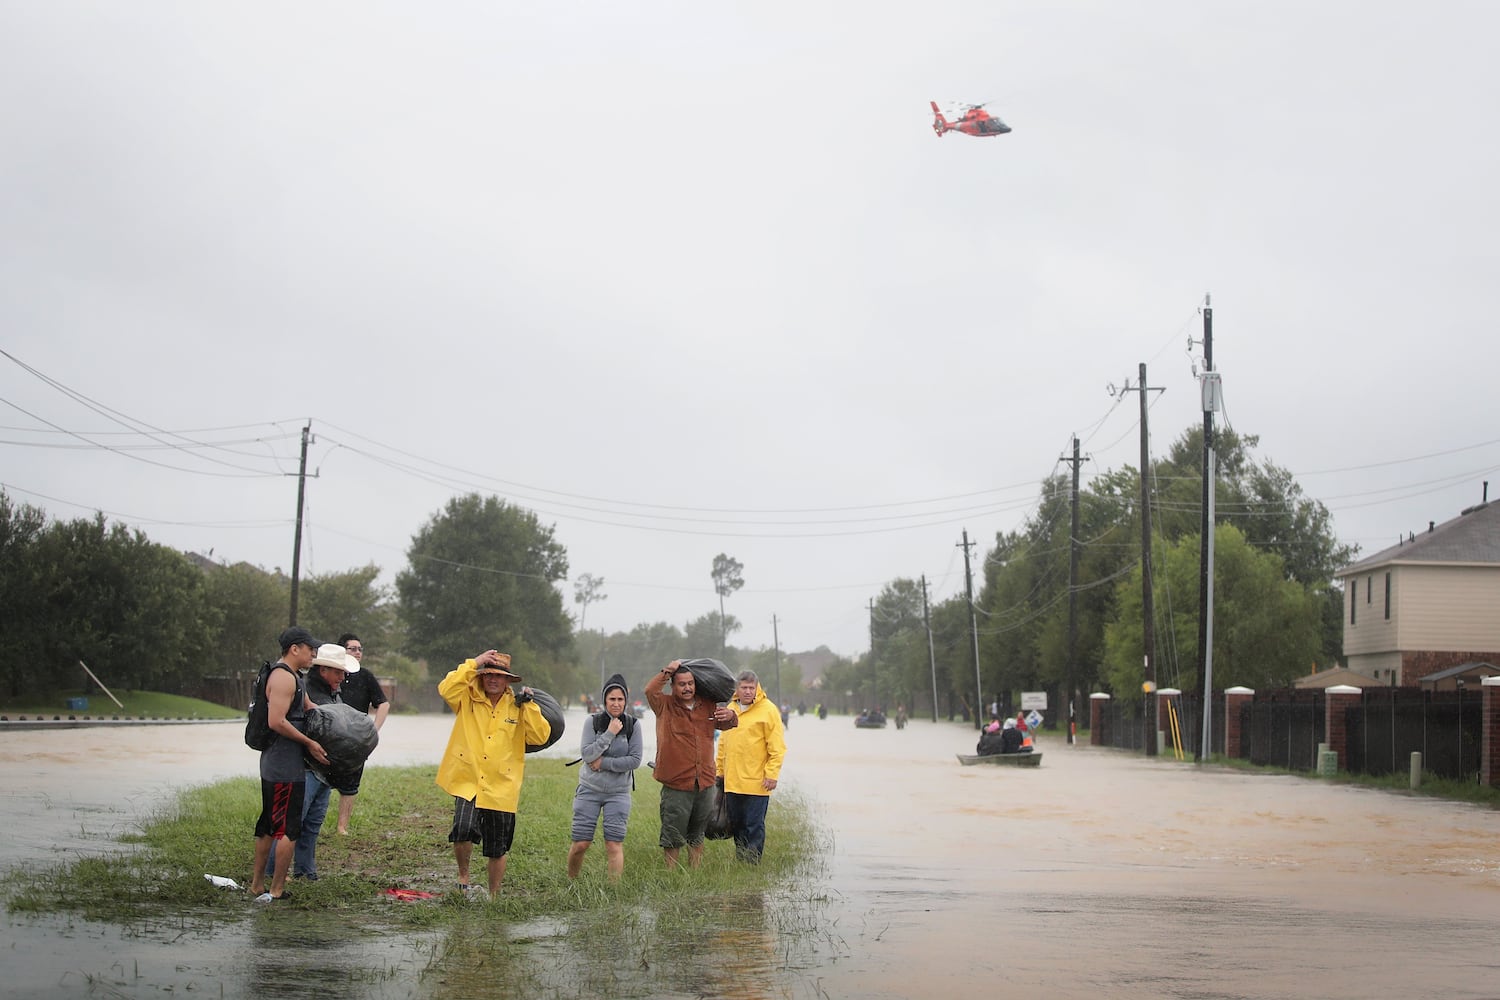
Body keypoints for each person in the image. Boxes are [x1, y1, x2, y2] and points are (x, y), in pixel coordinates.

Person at [436, 650, 550, 898]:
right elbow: (446, 688)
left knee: (497, 847)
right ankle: (463, 878)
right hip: (469, 779)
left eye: (499, 676)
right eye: (488, 674)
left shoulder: (519, 706)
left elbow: (540, 736)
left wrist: (529, 706)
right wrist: (474, 662)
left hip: (502, 786)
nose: (493, 680)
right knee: (462, 828)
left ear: (508, 680)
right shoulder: (466, 698)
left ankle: (494, 895)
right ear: (482, 677)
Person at [248, 626, 328, 902]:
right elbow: (276, 721)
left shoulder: (295, 677)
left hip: (280, 761)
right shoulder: (283, 677)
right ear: (295, 649)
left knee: (270, 823)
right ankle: (275, 889)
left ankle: (258, 885)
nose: (313, 654)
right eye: (310, 649)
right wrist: (309, 743)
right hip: (282, 763)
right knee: (285, 828)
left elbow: (310, 708)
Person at [261, 643, 351, 883]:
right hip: (304, 768)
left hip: (322, 770)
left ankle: (305, 872)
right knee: (290, 826)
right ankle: (272, 872)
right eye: (338, 672)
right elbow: (286, 722)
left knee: (312, 825)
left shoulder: (332, 692)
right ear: (324, 671)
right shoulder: (303, 687)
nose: (342, 677)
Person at [646, 659, 738, 868]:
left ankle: (694, 872)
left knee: (697, 834)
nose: (687, 688)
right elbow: (650, 690)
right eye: (682, 684)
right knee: (673, 834)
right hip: (676, 784)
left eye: (690, 683)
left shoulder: (707, 705)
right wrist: (668, 669)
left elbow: (728, 723)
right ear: (673, 686)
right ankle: (670, 875)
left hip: (705, 782)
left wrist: (731, 715)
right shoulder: (664, 706)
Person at [567, 673, 643, 881]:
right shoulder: (592, 722)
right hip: (589, 790)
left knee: (613, 843)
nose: (616, 704)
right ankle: (572, 881)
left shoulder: (633, 725)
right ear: (604, 700)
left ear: (626, 700)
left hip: (618, 793)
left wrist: (604, 764)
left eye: (620, 699)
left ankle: (613, 889)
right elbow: (587, 754)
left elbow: (635, 760)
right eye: (612, 699)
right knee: (581, 842)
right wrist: (609, 733)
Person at [715, 670, 786, 863]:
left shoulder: (768, 710)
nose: (747, 691)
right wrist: (719, 771)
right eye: (744, 687)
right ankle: (741, 860)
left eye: (751, 688)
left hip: (757, 783)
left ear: (757, 688)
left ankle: (752, 862)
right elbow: (723, 743)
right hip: (733, 781)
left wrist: (772, 774)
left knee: (753, 825)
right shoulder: (731, 708)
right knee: (736, 825)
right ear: (737, 688)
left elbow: (777, 747)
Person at [331, 632, 389, 835]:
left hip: (355, 739)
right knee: (320, 779)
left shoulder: (365, 676)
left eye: (360, 649)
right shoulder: (329, 672)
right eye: (352, 648)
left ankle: (342, 827)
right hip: (327, 736)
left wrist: (373, 731)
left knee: (350, 784)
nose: (357, 652)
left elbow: (383, 704)